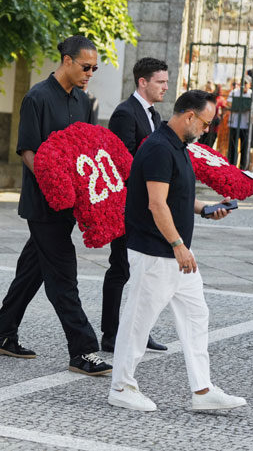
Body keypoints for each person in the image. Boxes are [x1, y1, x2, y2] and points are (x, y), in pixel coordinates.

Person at [108, 90, 246, 412]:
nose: (207, 130)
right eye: (205, 123)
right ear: (189, 116)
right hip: (156, 252)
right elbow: (156, 204)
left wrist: (206, 209)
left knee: (197, 315)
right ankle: (121, 387)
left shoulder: (178, 146)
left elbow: (176, 198)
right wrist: (178, 245)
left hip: (175, 255)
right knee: (138, 321)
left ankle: (203, 390)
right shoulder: (159, 148)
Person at [0, 35, 111, 376]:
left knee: (32, 270)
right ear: (67, 61)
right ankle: (83, 351)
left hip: (71, 205)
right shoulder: (37, 97)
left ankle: (1, 333)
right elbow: (28, 151)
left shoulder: (85, 101)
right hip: (43, 205)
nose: (90, 73)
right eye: (86, 67)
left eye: (95, 69)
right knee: (63, 276)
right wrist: (56, 184)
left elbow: (87, 152)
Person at [101, 57, 169, 354]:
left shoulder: (155, 115)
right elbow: (121, 162)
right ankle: (111, 334)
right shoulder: (125, 113)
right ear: (143, 82)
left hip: (149, 205)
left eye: (166, 82)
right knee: (120, 268)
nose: (165, 87)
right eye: (160, 82)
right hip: (127, 206)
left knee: (147, 272)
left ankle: (141, 331)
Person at [226, 77, 251, 167]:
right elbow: (229, 104)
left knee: (244, 148)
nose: (243, 85)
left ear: (249, 85)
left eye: (246, 83)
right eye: (242, 83)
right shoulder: (234, 92)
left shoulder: (251, 94)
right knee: (233, 146)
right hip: (234, 123)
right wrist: (240, 106)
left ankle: (243, 167)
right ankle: (231, 165)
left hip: (245, 124)